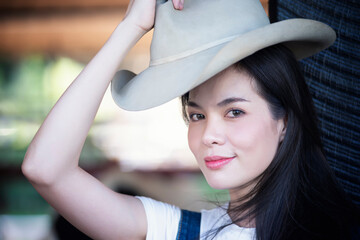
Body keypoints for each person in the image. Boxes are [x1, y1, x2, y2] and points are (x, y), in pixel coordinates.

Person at [22, 0, 360, 239]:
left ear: (283, 120)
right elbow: (45, 169)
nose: (208, 134)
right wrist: (132, 25)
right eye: (196, 115)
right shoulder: (178, 231)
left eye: (234, 112)